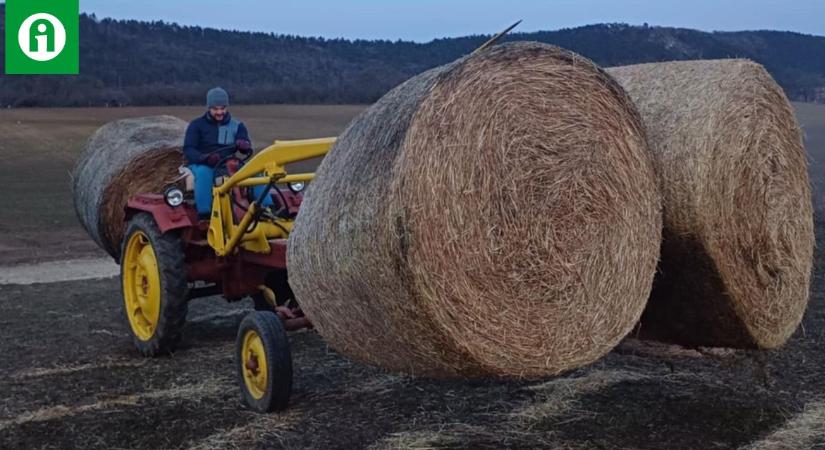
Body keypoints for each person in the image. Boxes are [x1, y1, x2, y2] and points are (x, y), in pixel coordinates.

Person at [183, 87, 272, 219]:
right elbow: (189, 149)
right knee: (203, 173)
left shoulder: (237, 125)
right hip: (204, 163)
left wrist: (244, 146)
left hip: (228, 163)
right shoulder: (196, 125)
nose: (220, 112)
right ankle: (205, 214)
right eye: (215, 109)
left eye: (223, 108)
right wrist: (205, 158)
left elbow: (245, 145)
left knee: (255, 172)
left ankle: (266, 208)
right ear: (209, 108)